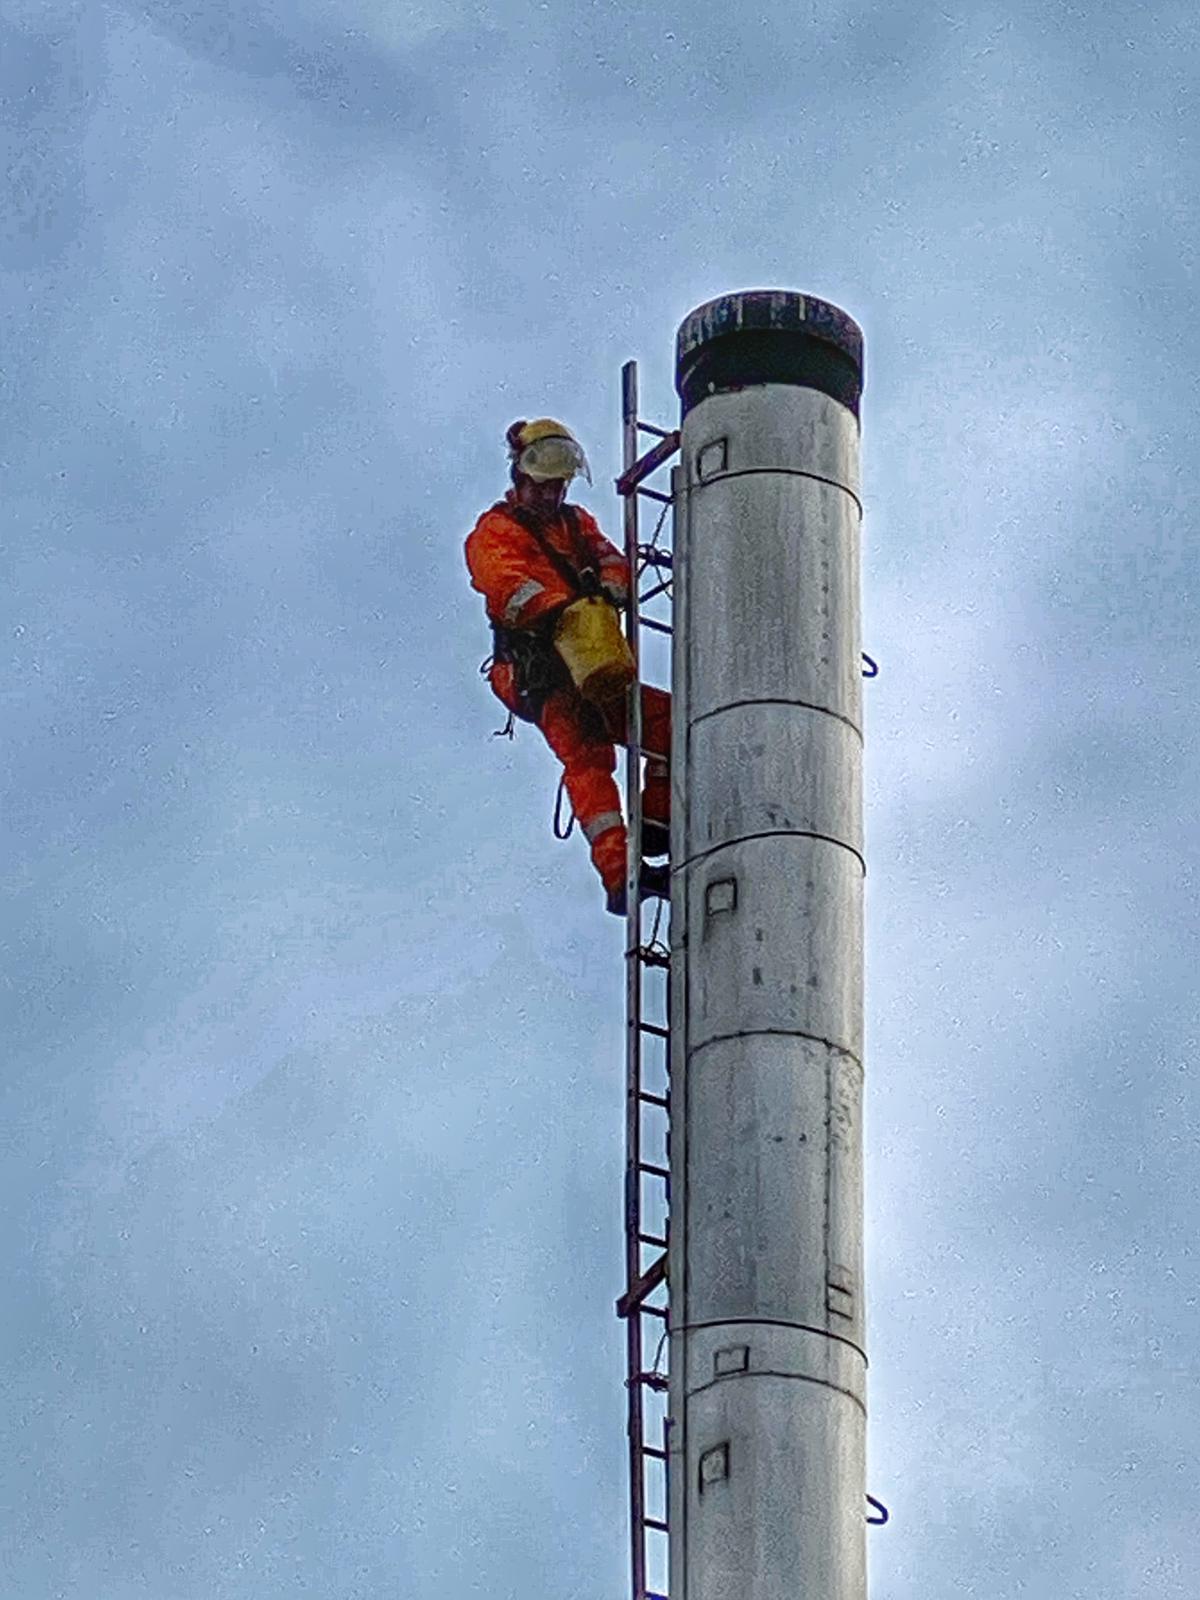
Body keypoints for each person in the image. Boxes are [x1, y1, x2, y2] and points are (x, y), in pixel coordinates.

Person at [465, 418, 671, 915]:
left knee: (670, 724)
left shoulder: (577, 524)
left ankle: (657, 825)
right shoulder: (495, 531)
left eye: (559, 485)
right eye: (545, 485)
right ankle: (621, 874)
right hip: (540, 672)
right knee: (589, 759)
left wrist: (607, 588)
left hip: (591, 660)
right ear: (522, 479)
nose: (553, 494)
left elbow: (613, 561)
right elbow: (509, 588)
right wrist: (564, 610)